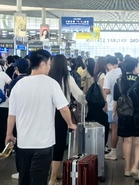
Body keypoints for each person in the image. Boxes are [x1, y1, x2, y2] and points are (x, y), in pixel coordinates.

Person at [5, 50, 77, 185]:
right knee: (39, 180)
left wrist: (9, 133)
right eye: (49, 64)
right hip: (43, 144)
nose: (50, 67)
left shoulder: (18, 84)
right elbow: (64, 109)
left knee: (24, 179)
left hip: (23, 143)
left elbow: (12, 114)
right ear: (43, 64)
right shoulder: (51, 84)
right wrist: (70, 124)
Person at [48, 55, 86, 185]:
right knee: (59, 145)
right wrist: (85, 102)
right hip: (61, 114)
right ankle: (53, 178)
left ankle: (55, 172)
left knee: (48, 144)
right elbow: (79, 94)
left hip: (46, 113)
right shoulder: (67, 78)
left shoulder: (47, 77)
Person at [113, 57, 139, 181]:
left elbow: (115, 99)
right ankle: (135, 166)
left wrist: (114, 112)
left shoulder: (119, 81)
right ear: (134, 67)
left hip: (124, 115)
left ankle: (127, 169)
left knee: (127, 142)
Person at [7, 58, 30, 180]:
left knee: (19, 145)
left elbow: (11, 102)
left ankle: (21, 171)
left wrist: (8, 132)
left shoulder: (14, 83)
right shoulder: (32, 80)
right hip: (31, 117)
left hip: (19, 117)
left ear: (16, 69)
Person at [86, 57, 110, 153]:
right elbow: (103, 89)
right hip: (99, 103)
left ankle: (98, 145)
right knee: (105, 124)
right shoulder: (103, 75)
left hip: (94, 102)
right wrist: (106, 102)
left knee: (99, 123)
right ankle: (102, 146)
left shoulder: (97, 73)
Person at [103, 55, 122, 160]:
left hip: (112, 105)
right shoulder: (122, 72)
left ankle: (113, 152)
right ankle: (125, 152)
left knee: (114, 128)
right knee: (124, 128)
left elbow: (107, 90)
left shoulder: (109, 74)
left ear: (109, 65)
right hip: (125, 105)